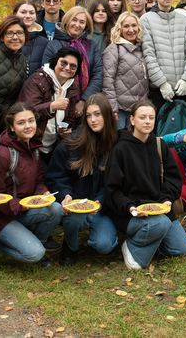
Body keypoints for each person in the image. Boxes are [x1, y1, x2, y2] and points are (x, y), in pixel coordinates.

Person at [104, 99, 186, 270]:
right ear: (132, 120)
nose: (147, 122)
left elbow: (173, 179)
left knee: (181, 248)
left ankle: (150, 240)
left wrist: (167, 199)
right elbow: (112, 189)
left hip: (159, 208)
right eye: (142, 117)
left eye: (151, 118)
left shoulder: (160, 145)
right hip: (131, 213)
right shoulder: (121, 149)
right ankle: (131, 247)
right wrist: (129, 207)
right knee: (162, 225)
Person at [46, 94, 119, 266]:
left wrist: (101, 201)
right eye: (88, 115)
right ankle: (70, 246)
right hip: (77, 205)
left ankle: (102, 233)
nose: (93, 120)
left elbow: (116, 182)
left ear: (107, 115)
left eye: (97, 114)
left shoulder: (116, 142)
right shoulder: (72, 142)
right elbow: (56, 176)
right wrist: (66, 194)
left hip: (102, 207)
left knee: (104, 245)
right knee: (75, 218)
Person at [0, 102, 63, 266]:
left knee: (56, 209)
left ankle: (37, 242)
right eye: (21, 123)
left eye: (31, 121)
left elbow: (39, 180)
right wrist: (18, 205)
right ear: (12, 127)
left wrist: (42, 193)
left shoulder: (33, 147)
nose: (28, 126)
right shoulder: (3, 154)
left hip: (22, 211)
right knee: (34, 254)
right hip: (1, 216)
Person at [18, 46, 82, 164]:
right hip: (30, 143)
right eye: (64, 63)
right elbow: (27, 112)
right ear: (55, 61)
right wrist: (52, 106)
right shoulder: (37, 80)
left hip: (52, 146)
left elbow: (70, 116)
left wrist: (67, 129)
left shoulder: (71, 86)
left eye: (73, 66)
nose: (67, 68)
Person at [140, 0, 186, 112]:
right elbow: (149, 55)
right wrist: (162, 83)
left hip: (182, 89)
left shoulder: (184, 19)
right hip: (159, 90)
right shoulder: (146, 20)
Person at [42, 6, 104, 117]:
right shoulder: (53, 45)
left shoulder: (91, 46)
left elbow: (97, 74)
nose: (77, 25)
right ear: (67, 21)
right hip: (59, 102)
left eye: (82, 22)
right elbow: (47, 73)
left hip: (86, 105)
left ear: (86, 25)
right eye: (74, 20)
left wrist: (83, 101)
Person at [102, 12, 149, 129]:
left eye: (134, 25)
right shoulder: (114, 49)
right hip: (120, 109)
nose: (131, 30)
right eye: (126, 26)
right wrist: (113, 109)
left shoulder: (143, 48)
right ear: (120, 29)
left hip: (139, 109)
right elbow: (107, 81)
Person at [14, 0, 50, 74]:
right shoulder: (5, 39)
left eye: (31, 13)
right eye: (23, 12)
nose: (28, 16)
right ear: (15, 14)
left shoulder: (45, 43)